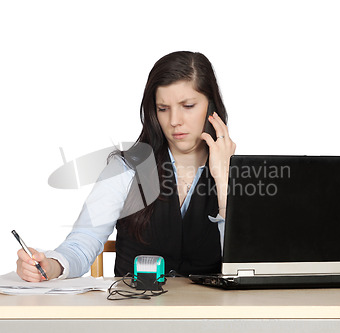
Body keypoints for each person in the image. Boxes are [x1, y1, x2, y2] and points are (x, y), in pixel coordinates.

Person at [16, 51, 236, 282]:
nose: (174, 121)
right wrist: (51, 266)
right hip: (134, 310)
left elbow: (243, 263)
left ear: (211, 107)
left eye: (188, 105)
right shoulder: (126, 169)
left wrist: (223, 180)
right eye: (163, 108)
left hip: (210, 314)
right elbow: (84, 241)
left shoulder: (240, 174)